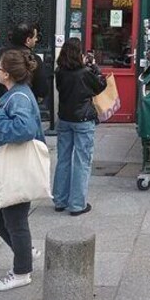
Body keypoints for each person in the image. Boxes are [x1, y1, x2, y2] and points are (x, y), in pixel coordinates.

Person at [0, 49, 45, 291]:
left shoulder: (18, 97)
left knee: (16, 221)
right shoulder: (14, 94)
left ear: (6, 74)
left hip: (14, 169)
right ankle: (25, 252)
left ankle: (22, 271)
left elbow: (24, 129)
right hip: (5, 168)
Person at [53, 37, 106, 215]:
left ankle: (60, 200)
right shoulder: (84, 72)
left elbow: (62, 89)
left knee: (63, 159)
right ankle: (77, 204)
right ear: (79, 53)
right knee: (82, 161)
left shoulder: (59, 71)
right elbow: (100, 86)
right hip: (83, 119)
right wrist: (95, 68)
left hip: (65, 118)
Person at [0, 23, 49, 165]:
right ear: (27, 39)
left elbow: (24, 129)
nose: (36, 40)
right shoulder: (33, 59)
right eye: (35, 37)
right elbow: (43, 88)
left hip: (1, 108)